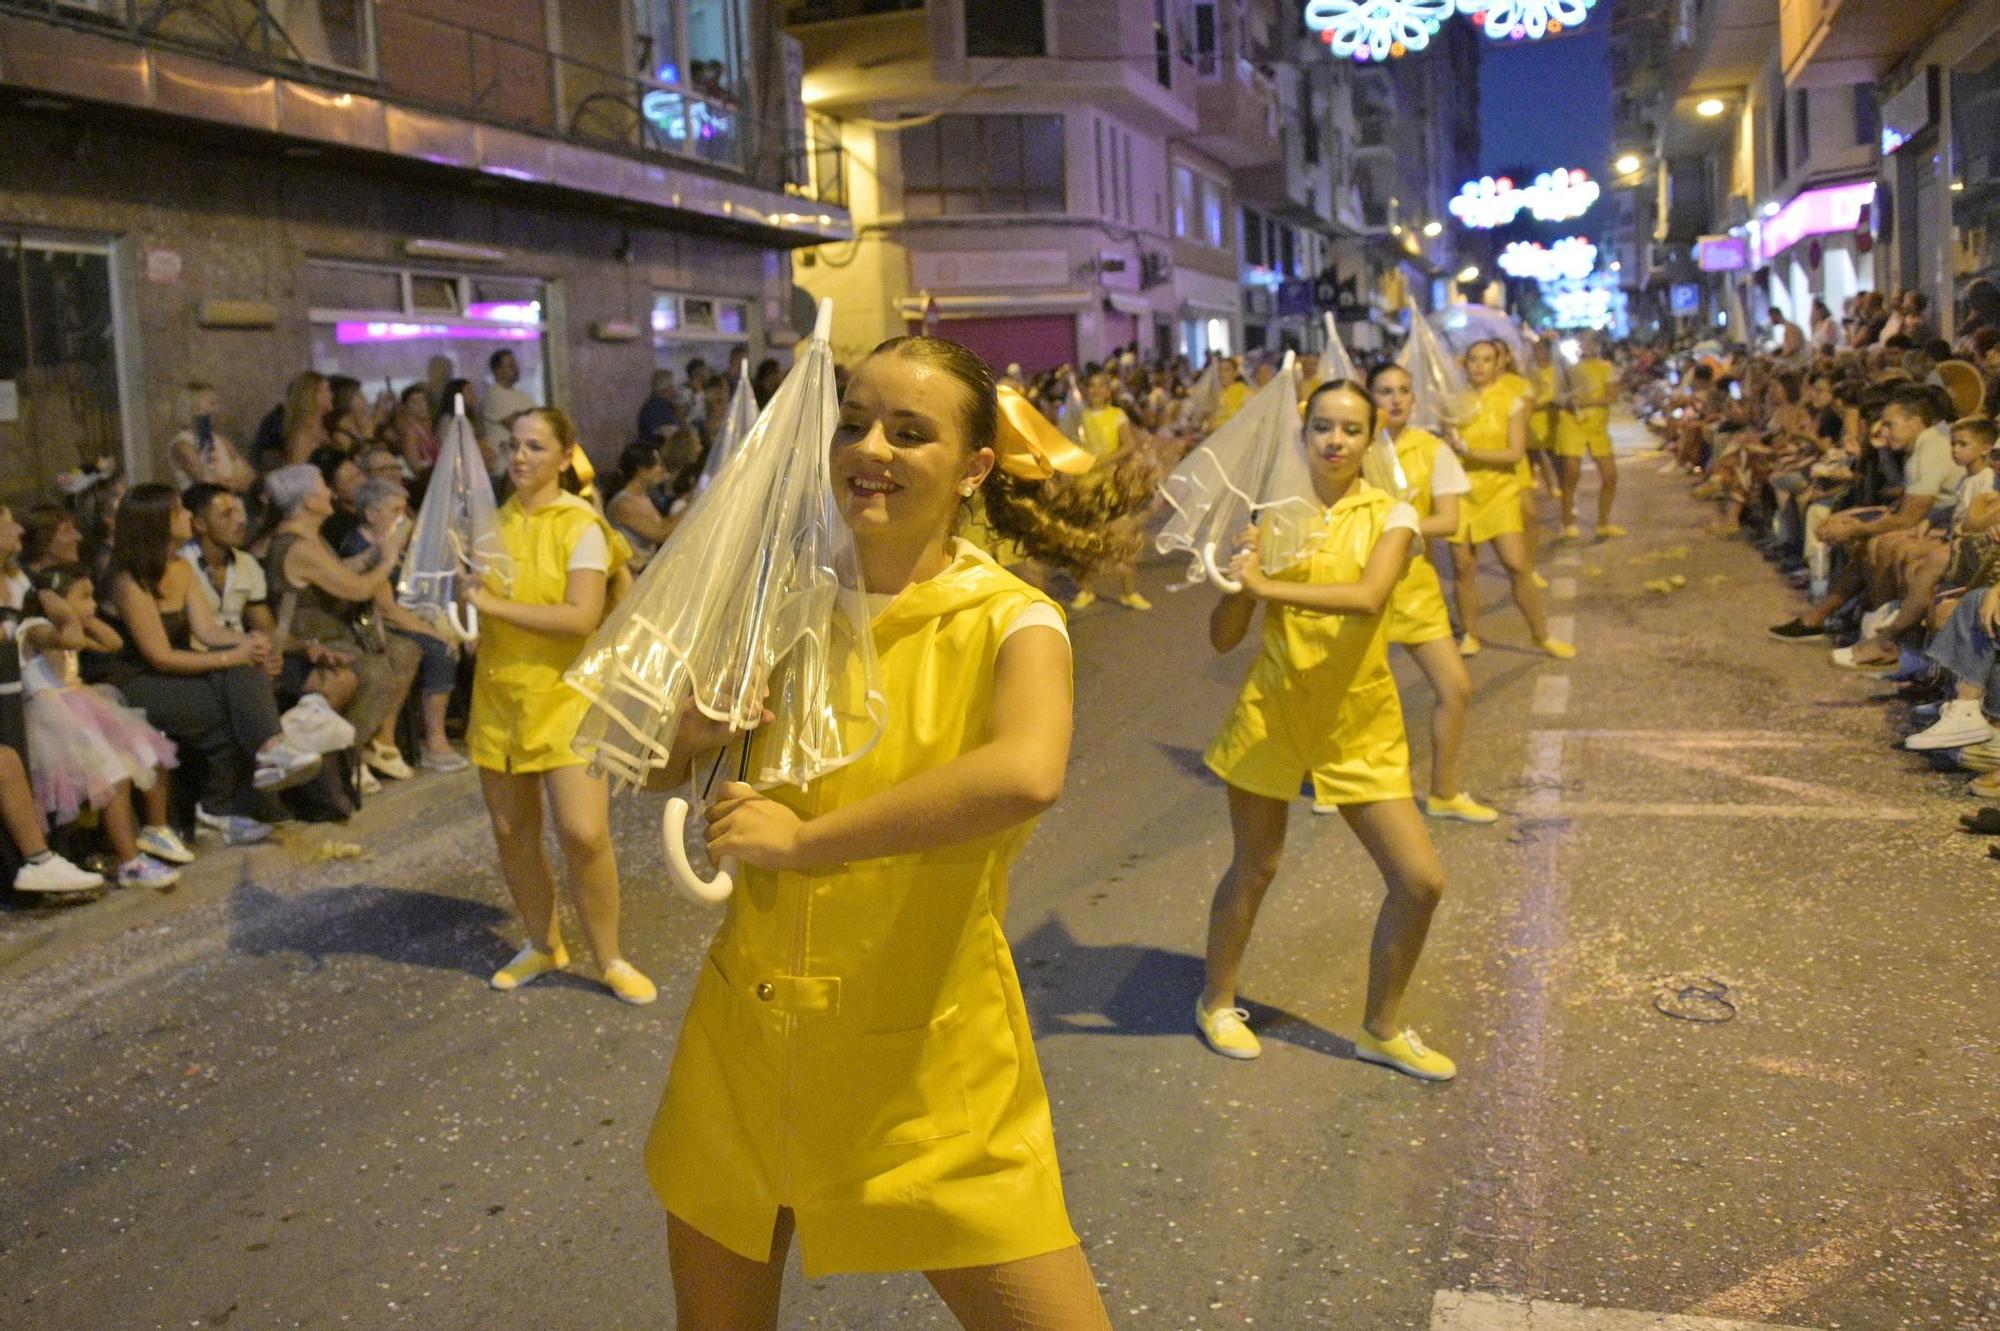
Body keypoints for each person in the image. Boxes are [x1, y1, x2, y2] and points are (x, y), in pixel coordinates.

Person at [642, 334, 1111, 1330]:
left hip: (928, 1066)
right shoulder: (777, 605)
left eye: (910, 430)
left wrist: (809, 840)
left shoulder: (1009, 620)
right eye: (853, 422)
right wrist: (699, 722)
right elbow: (654, 767)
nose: (872, 447)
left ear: (974, 466)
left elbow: (1026, 771)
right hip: (751, 1046)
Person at [1193, 378, 1454, 1081]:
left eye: (1351, 429)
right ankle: (1216, 1001)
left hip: (1358, 719)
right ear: (1303, 434)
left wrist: (1269, 587)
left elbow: (1369, 599)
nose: (1337, 441)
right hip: (1273, 711)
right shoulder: (1273, 516)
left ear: (1372, 440)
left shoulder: (1393, 515)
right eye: (1324, 428)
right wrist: (1238, 574)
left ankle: (1381, 1029)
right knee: (1257, 865)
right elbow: (1223, 639)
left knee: (1419, 879)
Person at [467, 408, 653, 1006]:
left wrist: (490, 608)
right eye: (513, 445)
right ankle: (542, 943)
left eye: (535, 446)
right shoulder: (489, 525)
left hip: (568, 698)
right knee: (512, 831)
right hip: (501, 696)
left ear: (563, 455)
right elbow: (474, 605)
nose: (520, 456)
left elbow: (579, 617)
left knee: (584, 832)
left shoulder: (582, 527)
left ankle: (611, 957)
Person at [102, 484, 323, 846]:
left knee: (245, 670)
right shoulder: (128, 580)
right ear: (158, 521)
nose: (189, 516)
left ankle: (266, 754)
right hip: (137, 679)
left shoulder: (180, 566)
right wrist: (230, 656)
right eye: (180, 511)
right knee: (229, 708)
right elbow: (158, 655)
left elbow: (207, 629)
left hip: (177, 670)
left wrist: (249, 643)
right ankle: (229, 796)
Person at [1368, 363, 1494, 824]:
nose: (1396, 400)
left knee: (1456, 687)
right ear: (1369, 398)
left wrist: (1397, 526)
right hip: (1361, 587)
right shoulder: (1351, 447)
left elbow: (1448, 521)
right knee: (1349, 695)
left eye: (1403, 390)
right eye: (1384, 391)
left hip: (1415, 586)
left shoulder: (1432, 448)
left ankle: (1443, 791)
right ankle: (1331, 781)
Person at [20, 566, 189, 890]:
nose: (94, 604)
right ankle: (128, 861)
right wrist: (62, 612)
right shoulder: (35, 628)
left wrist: (84, 615)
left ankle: (156, 828)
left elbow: (112, 642)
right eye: (85, 597)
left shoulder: (71, 627)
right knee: (113, 773)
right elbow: (69, 637)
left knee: (147, 748)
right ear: (55, 603)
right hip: (55, 720)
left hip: (82, 705)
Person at [262, 465, 421, 789]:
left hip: (333, 628)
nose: (331, 493)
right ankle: (349, 755)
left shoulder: (312, 537)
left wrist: (371, 555)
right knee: (374, 672)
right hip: (308, 636)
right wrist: (388, 559)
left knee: (406, 650)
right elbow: (358, 590)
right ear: (308, 500)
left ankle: (378, 743)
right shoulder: (299, 546)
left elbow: (337, 572)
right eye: (323, 487)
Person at [1770, 385, 1960, 641]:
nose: (1882, 431)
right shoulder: (1918, 447)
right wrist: (1853, 518)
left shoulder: (1932, 446)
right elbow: (1902, 505)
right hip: (1931, 521)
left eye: (1890, 425)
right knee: (1862, 537)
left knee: (1879, 544)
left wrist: (1853, 528)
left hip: (1944, 526)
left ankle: (1880, 638)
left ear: (1915, 422)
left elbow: (1909, 517)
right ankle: (1822, 617)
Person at [180, 484, 358, 716]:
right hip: (206, 660)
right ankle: (277, 745)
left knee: (341, 679)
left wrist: (309, 648)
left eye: (239, 512)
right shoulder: (182, 565)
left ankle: (296, 747)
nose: (240, 521)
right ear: (200, 524)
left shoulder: (246, 564)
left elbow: (267, 629)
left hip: (249, 653)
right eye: (226, 514)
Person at [1445, 340, 1574, 659]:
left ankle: (1541, 635)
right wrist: (1446, 440)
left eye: (1486, 360)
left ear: (1498, 364)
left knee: (1517, 565)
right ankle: (1471, 633)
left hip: (1499, 490)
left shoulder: (1512, 401)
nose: (1479, 366)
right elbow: (1444, 447)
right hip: (1460, 492)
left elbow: (1514, 452)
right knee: (1464, 567)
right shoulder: (1454, 403)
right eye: (1473, 359)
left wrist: (1468, 452)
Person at [338, 477, 469, 773]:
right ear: (371, 514)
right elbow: (387, 609)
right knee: (439, 648)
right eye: (395, 510)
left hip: (407, 616)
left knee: (462, 635)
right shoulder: (360, 547)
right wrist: (434, 632)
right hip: (375, 626)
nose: (403, 517)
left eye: (404, 510)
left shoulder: (398, 545)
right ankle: (434, 740)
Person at [1068, 372, 1153, 613]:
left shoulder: (1117, 415)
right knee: (1083, 538)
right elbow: (1069, 443)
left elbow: (1129, 445)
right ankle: (1086, 589)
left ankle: (1129, 592)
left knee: (1123, 538)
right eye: (1092, 386)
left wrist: (1101, 461)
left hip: (1111, 484)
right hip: (1083, 485)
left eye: (1101, 386)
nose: (1096, 391)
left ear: (1108, 391)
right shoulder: (1078, 416)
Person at [1554, 334, 1623, 540]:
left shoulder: (1606, 368)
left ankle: (1603, 523)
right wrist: (1568, 400)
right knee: (1571, 475)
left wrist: (1586, 403)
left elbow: (1612, 396)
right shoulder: (1566, 369)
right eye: (1582, 343)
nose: (1587, 347)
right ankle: (1567, 523)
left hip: (1597, 428)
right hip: (1571, 425)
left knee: (1610, 476)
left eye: (1591, 343)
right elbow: (1557, 397)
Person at [166, 383, 256, 494]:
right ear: (192, 407)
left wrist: (229, 482)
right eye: (212, 404)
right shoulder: (182, 445)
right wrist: (237, 482)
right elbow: (209, 485)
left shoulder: (222, 441)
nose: (217, 410)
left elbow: (250, 477)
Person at [603, 441, 678, 567]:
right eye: (656, 464)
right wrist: (694, 504)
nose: (661, 470)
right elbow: (660, 532)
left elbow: (664, 524)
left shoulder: (644, 497)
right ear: (641, 471)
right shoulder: (624, 504)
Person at [482, 349, 537, 448]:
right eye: (511, 365)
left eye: (516, 365)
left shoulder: (522, 395)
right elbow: (515, 425)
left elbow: (538, 419)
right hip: (503, 457)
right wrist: (526, 416)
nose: (516, 369)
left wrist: (520, 415)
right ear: (498, 371)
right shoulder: (494, 393)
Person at [381, 384, 438, 475]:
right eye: (415, 402)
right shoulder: (410, 433)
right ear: (405, 406)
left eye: (423, 400)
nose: (421, 405)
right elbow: (416, 467)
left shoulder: (426, 428)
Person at [283, 371, 333, 466]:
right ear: (313, 395)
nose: (331, 395)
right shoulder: (302, 435)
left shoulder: (322, 429)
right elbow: (299, 472)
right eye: (327, 390)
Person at [637, 369, 681, 445]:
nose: (677, 389)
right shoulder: (656, 407)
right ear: (667, 387)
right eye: (675, 385)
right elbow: (669, 435)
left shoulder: (662, 405)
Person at [1208, 356, 1250, 431]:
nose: (1222, 374)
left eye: (1227, 370)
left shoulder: (1245, 392)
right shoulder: (1216, 394)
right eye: (1220, 371)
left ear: (1236, 373)